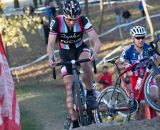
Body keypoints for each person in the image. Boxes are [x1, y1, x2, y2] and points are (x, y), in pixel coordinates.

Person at [47, 0, 101, 128]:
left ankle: (90, 94)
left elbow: (96, 40)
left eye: (74, 19)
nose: (72, 22)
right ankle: (75, 121)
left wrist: (95, 52)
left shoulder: (83, 20)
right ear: (64, 16)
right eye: (69, 19)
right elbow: (50, 44)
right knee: (68, 86)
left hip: (80, 49)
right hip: (65, 54)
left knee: (85, 61)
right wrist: (51, 58)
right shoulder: (57, 21)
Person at [118, 26, 160, 119]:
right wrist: (126, 65)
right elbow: (119, 65)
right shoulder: (128, 51)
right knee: (141, 111)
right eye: (138, 38)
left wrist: (157, 58)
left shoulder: (148, 47)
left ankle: (154, 119)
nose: (140, 40)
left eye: (142, 37)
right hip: (135, 80)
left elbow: (158, 58)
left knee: (154, 97)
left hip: (148, 78)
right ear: (133, 38)